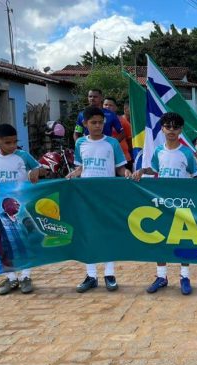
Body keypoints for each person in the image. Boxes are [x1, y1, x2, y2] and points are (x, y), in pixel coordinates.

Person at [132, 112, 197, 295]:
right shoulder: (158, 151)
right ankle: (161, 276)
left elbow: (196, 176)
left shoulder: (186, 152)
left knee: (184, 240)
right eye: (167, 127)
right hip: (162, 204)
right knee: (160, 238)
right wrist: (140, 171)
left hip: (183, 204)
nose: (171, 130)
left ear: (181, 130)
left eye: (175, 127)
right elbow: (153, 170)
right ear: (162, 128)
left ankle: (184, 277)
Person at [67, 106, 131, 292]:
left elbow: (120, 168)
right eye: (93, 123)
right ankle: (91, 275)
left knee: (107, 233)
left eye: (100, 122)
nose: (97, 126)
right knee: (89, 234)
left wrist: (126, 172)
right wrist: (73, 174)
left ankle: (109, 274)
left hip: (107, 196)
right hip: (86, 197)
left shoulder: (112, 143)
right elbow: (80, 168)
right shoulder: (80, 144)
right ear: (85, 124)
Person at [0, 123, 44, 295]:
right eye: (7, 143)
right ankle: (11, 278)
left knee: (25, 238)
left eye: (14, 142)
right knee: (4, 242)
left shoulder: (23, 156)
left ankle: (26, 276)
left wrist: (36, 171)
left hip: (22, 205)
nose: (12, 146)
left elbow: (38, 167)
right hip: (0, 205)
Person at [103, 97, 133, 169]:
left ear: (116, 108)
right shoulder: (97, 121)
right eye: (106, 104)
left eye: (110, 105)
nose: (107, 107)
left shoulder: (123, 121)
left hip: (123, 158)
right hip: (104, 157)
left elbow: (130, 140)